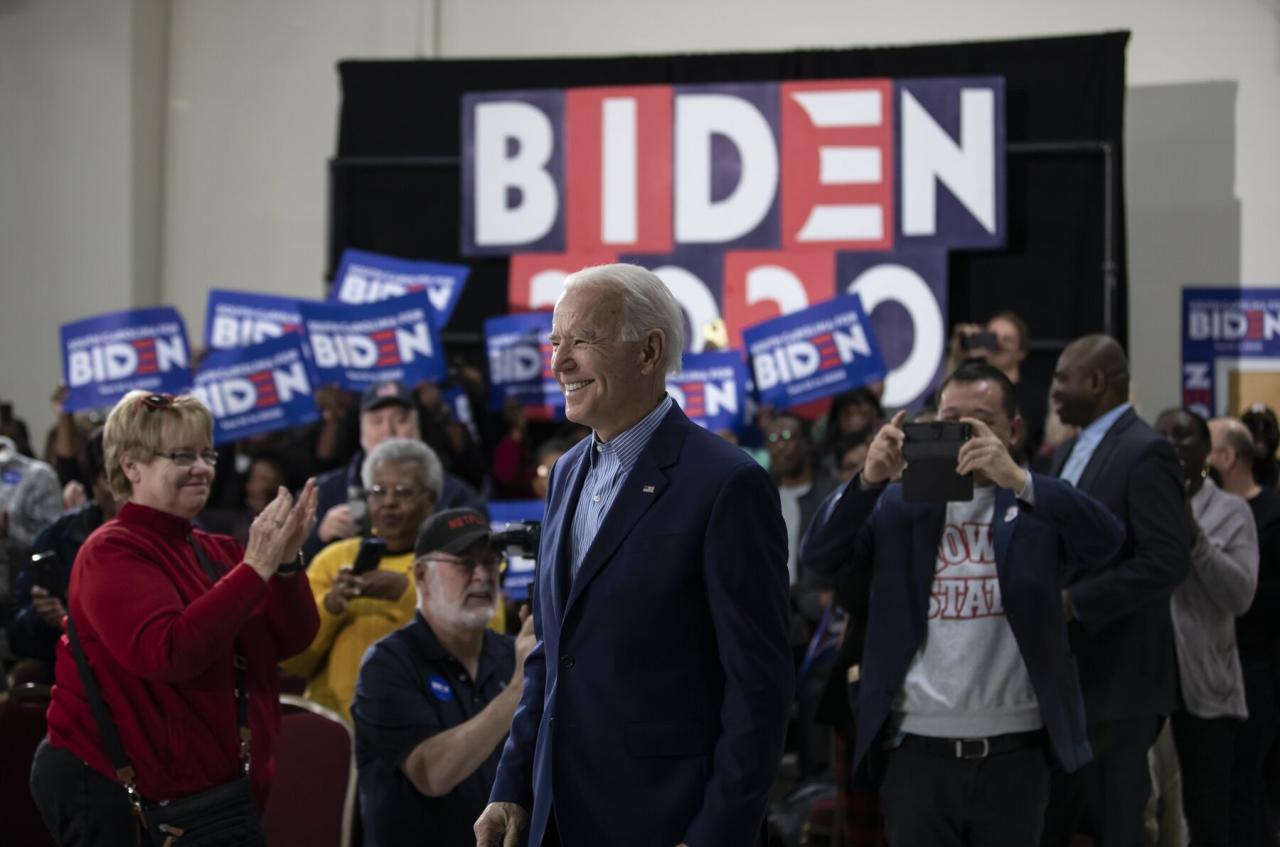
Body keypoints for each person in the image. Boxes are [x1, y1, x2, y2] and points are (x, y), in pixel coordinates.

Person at [475, 263, 793, 847]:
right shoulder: (567, 472)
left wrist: (716, 835)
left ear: (649, 352)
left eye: (582, 341)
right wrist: (512, 784)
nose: (559, 363)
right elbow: (552, 652)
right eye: (555, 343)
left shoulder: (727, 484)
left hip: (665, 821)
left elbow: (760, 688)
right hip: (555, 820)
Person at [800, 361, 1124, 846]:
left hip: (1016, 751)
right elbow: (820, 558)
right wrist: (868, 482)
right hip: (917, 749)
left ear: (1012, 430)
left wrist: (1019, 480)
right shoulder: (898, 505)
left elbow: (1107, 543)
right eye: (949, 418)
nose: (962, 432)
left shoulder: (1036, 506)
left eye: (981, 420)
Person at [29, 391, 319, 845]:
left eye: (207, 453)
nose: (202, 468)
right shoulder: (109, 551)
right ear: (131, 466)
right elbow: (169, 652)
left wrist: (283, 564)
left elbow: (292, 639)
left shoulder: (216, 550)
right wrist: (256, 568)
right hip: (121, 797)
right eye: (182, 455)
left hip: (209, 801)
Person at [1040, 335, 1190, 847]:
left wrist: (1076, 603)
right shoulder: (1064, 453)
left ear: (1098, 382)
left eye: (1063, 378)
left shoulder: (1145, 450)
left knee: (1116, 824)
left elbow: (1167, 560)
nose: (1054, 390)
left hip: (1121, 681)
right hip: (1067, 678)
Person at [352, 507, 536, 847]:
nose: (482, 575)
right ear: (421, 575)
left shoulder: (511, 651)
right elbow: (431, 775)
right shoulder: (387, 663)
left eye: (491, 561)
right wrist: (518, 690)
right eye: (465, 563)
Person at [1153, 408, 1257, 847]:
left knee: (1207, 811)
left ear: (1205, 454)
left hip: (1209, 689)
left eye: (1183, 437)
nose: (1172, 446)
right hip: (1147, 683)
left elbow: (1240, 595)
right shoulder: (1139, 505)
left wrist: (1195, 539)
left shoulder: (1231, 512)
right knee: (1145, 809)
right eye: (1163, 438)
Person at [282, 437, 442, 721]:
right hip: (335, 735)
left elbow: (473, 645)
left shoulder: (450, 563)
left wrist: (405, 594)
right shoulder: (333, 559)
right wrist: (330, 607)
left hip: (421, 731)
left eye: (403, 492)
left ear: (430, 499)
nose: (389, 503)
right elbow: (293, 661)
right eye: (378, 491)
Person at [302, 380, 486, 562]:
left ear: (418, 427)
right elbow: (287, 570)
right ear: (360, 431)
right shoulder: (322, 492)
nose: (388, 431)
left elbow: (487, 563)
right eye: (377, 421)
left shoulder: (457, 496)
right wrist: (317, 538)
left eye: (401, 419)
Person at [1209, 415, 1280, 846]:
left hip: (1258, 670)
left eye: (1205, 450)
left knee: (1249, 787)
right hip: (1214, 667)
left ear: (1227, 457)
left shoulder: (1272, 515)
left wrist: (1238, 588)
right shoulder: (1208, 512)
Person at [7, 429, 116, 682]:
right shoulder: (58, 536)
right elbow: (17, 634)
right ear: (95, 480)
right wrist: (45, 618)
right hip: (74, 680)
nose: (121, 488)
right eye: (111, 477)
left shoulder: (174, 534)